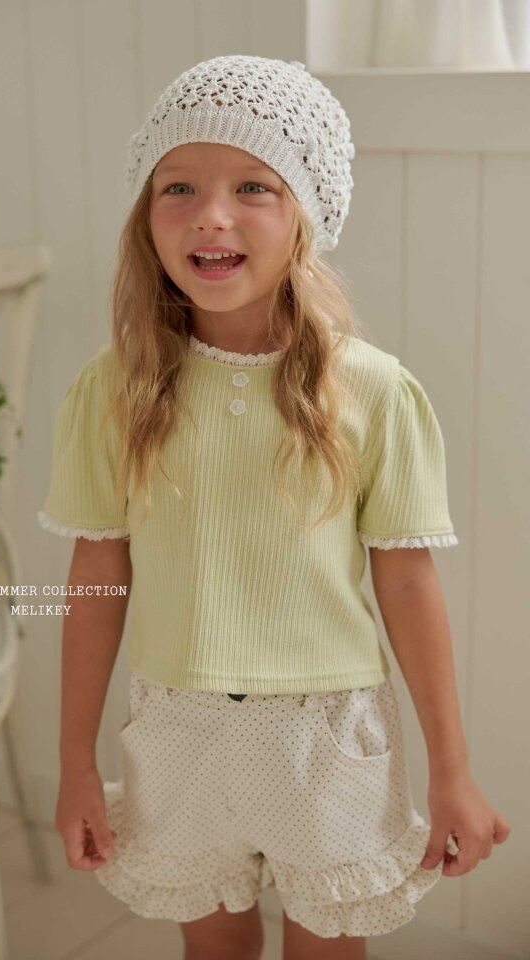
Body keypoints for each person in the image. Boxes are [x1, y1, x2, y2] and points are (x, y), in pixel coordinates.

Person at [38, 55, 510, 960]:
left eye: (253, 185)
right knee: (213, 945)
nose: (211, 214)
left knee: (326, 947)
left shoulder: (374, 391)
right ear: (146, 217)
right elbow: (95, 576)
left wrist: (452, 773)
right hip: (175, 729)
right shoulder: (114, 390)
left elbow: (408, 584)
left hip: (326, 738)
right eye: (178, 186)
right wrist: (75, 765)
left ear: (305, 216)